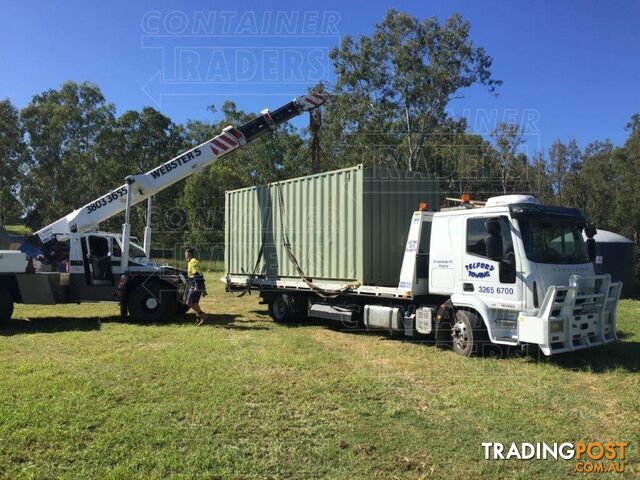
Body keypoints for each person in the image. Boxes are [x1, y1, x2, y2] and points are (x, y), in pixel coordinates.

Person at [184, 247, 207, 325]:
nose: (185, 257)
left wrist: (197, 286)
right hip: (198, 284)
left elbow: (196, 273)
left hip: (196, 285)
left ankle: (202, 314)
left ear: (189, 255)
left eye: (186, 255)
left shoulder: (192, 261)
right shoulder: (192, 261)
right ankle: (199, 319)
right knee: (195, 303)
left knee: (189, 303)